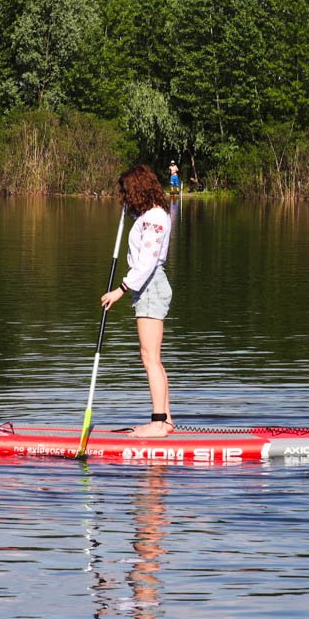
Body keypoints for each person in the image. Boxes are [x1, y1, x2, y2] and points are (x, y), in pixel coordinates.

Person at [100, 165, 174, 438]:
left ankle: (158, 423)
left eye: (126, 192)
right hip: (146, 286)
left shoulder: (155, 218)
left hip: (150, 285)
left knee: (149, 358)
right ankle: (165, 420)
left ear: (137, 189)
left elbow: (147, 262)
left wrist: (120, 289)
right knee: (153, 358)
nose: (124, 197)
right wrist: (130, 212)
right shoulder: (148, 215)